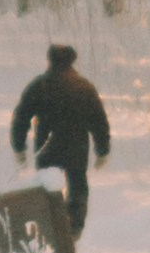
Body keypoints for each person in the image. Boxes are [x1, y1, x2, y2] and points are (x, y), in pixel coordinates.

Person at [9, 39, 114, 233]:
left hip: (47, 146)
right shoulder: (84, 87)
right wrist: (102, 150)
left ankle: (49, 226)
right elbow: (99, 120)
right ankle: (74, 228)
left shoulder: (39, 86)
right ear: (72, 61)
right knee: (77, 185)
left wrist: (19, 147)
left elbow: (21, 116)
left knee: (47, 185)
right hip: (77, 146)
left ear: (50, 60)